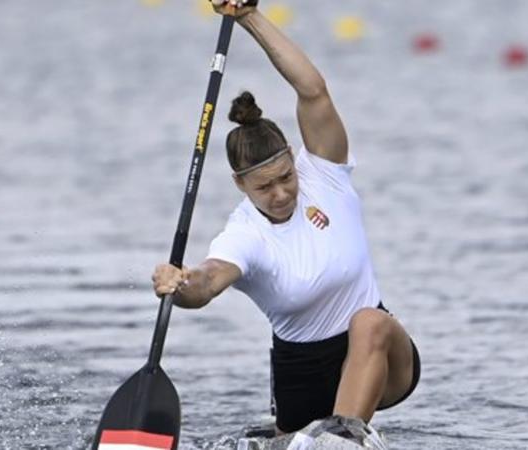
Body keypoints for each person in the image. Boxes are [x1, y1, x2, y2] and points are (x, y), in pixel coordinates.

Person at [150, 0, 420, 445]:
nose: (280, 194)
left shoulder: (324, 174)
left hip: (380, 358)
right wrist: (179, 284)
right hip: (301, 378)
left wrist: (247, 16)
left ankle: (346, 438)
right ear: (240, 185)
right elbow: (209, 281)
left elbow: (312, 90)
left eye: (285, 178)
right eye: (264, 188)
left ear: (295, 161)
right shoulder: (244, 234)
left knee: (369, 321)